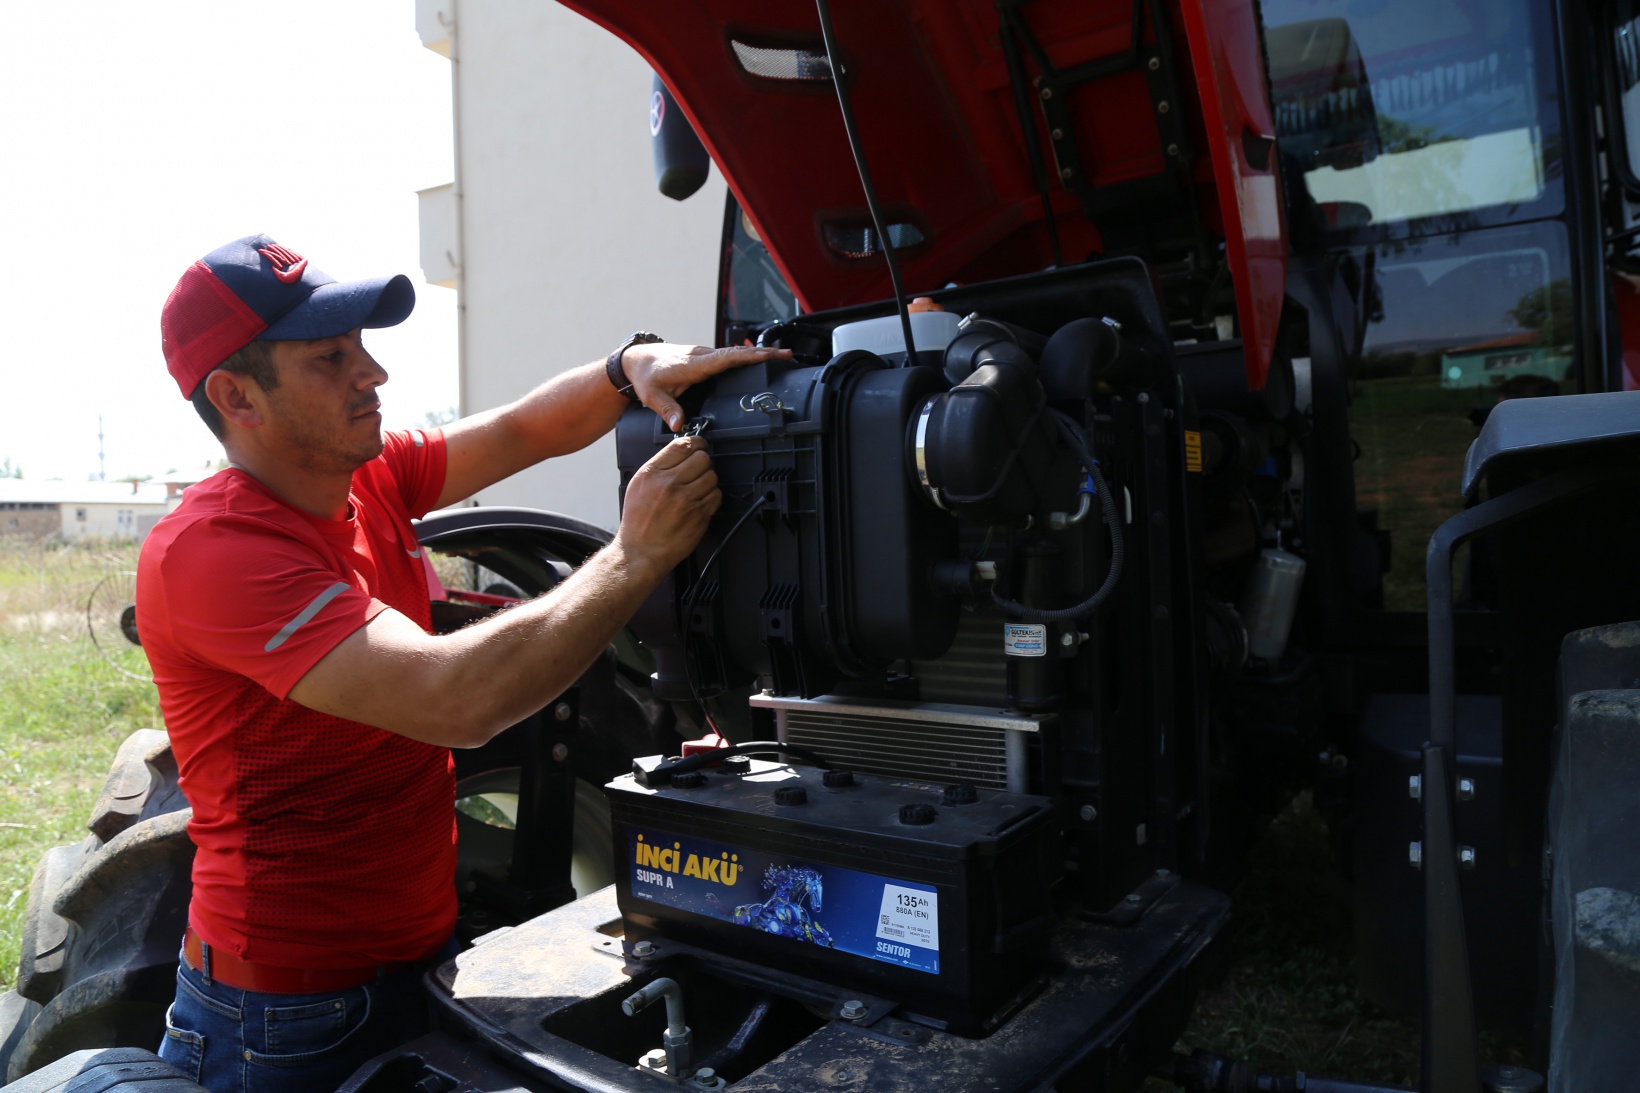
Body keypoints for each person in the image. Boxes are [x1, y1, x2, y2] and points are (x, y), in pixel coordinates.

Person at [137, 234, 787, 1092]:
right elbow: (455, 699)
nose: (371, 373)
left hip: (418, 962)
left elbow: (523, 428)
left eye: (363, 347)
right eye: (331, 357)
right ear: (235, 395)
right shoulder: (219, 552)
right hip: (286, 1020)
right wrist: (634, 556)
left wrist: (628, 368)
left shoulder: (362, 479)